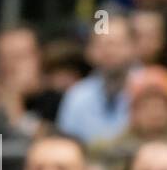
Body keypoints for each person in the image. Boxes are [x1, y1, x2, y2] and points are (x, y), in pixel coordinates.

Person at [56, 14, 140, 143]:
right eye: (101, 44)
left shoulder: (151, 88)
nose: (109, 51)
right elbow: (66, 144)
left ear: (133, 47)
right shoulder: (77, 95)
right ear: (90, 51)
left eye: (116, 44)